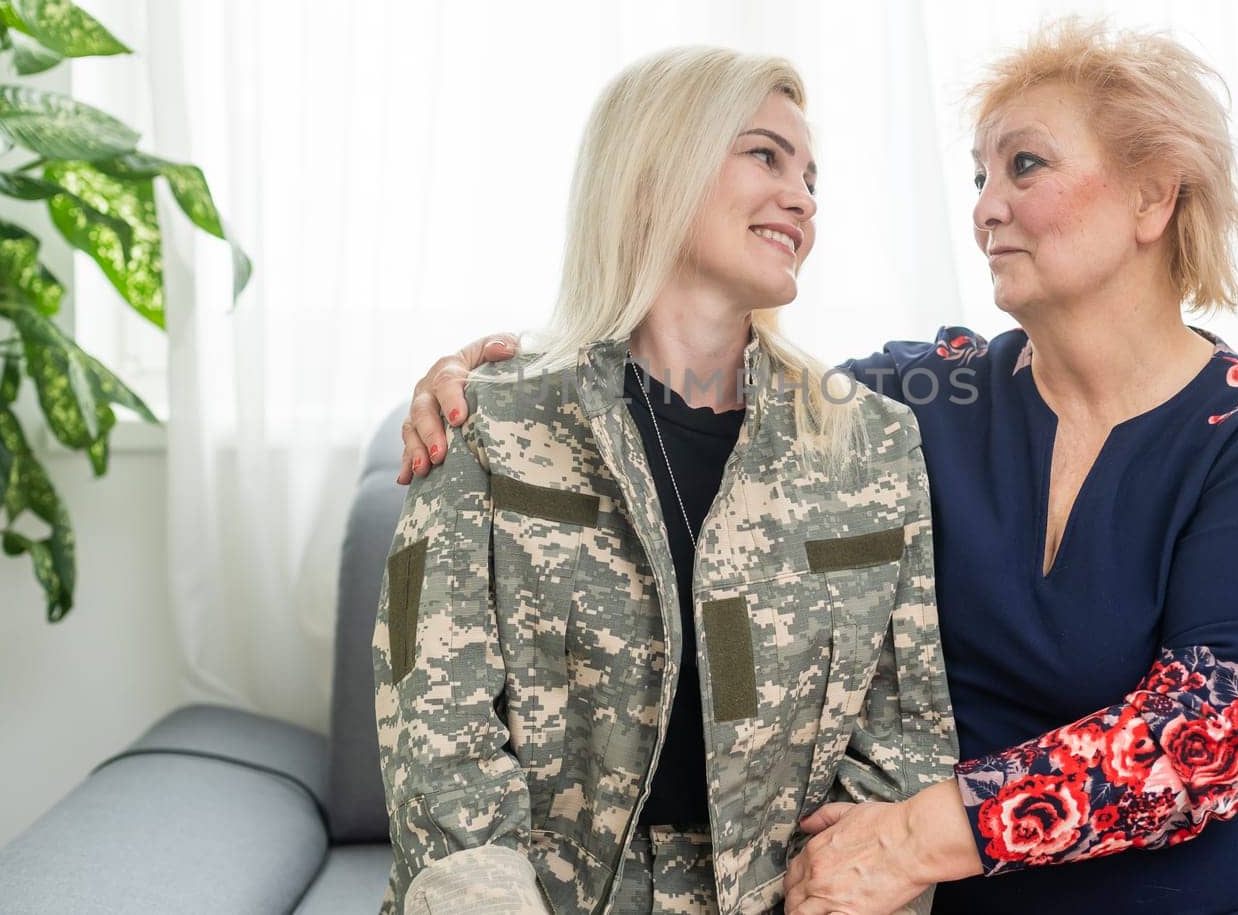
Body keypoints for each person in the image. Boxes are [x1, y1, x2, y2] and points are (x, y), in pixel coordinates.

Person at [397, 20, 1238, 914]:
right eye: (977, 177)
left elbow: (1209, 733)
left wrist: (914, 835)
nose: (985, 207)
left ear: (1149, 196)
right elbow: (701, 381)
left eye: (1024, 166)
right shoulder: (917, 403)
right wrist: (496, 374)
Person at [373, 46, 957, 915]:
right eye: (765, 155)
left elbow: (903, 733)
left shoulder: (868, 439)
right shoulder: (491, 421)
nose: (801, 196)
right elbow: (436, 735)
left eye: (811, 176)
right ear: (655, 171)